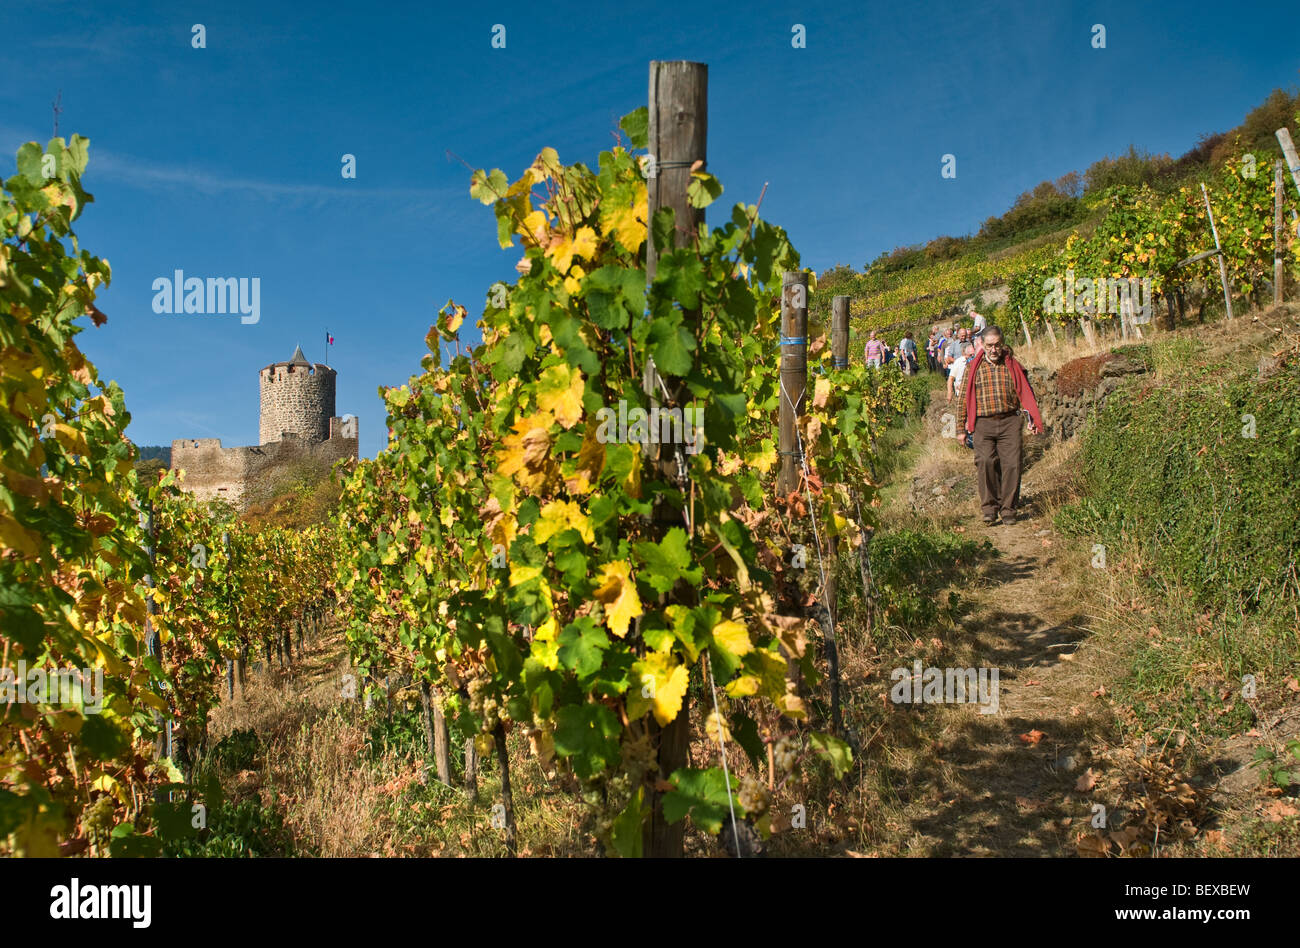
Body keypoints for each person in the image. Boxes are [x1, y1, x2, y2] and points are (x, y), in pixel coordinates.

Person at [956, 326, 1044, 526]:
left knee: (1012, 465)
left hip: (1009, 422)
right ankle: (989, 508)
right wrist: (961, 430)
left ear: (1002, 344)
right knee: (985, 462)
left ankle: (1009, 510)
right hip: (983, 424)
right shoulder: (974, 368)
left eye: (997, 345)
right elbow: (962, 400)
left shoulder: (1012, 365)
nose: (994, 350)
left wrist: (1032, 420)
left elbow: (1025, 394)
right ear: (983, 345)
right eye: (989, 346)